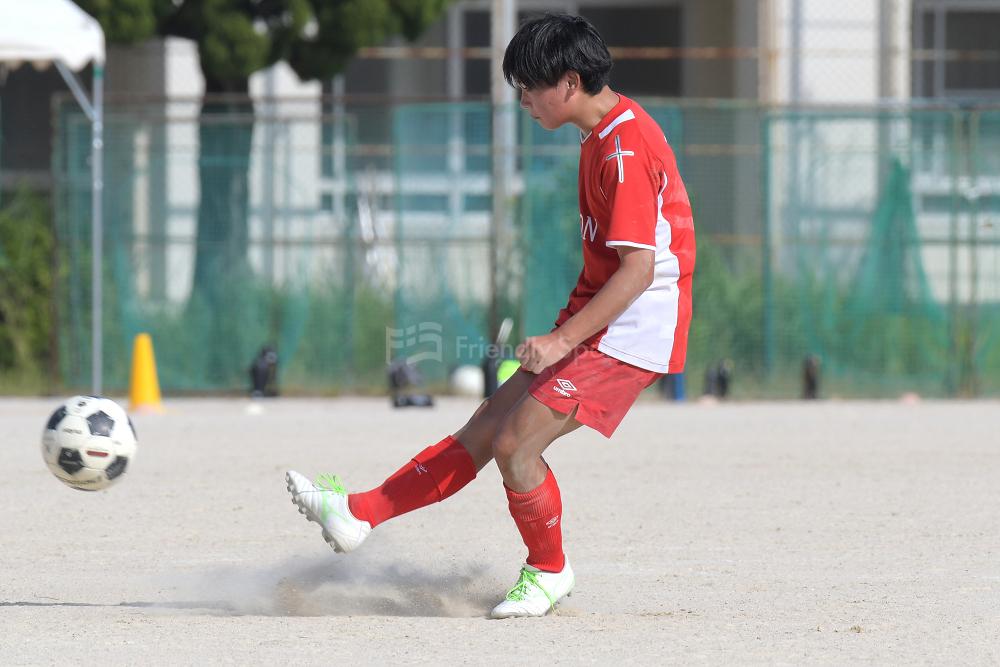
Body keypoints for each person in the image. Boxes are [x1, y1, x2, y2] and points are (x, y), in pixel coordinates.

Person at [285, 13, 696, 618]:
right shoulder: (601, 135)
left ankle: (549, 571)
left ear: (570, 82)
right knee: (485, 428)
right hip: (602, 321)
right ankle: (358, 514)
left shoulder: (624, 148)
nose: (523, 100)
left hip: (632, 332)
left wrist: (562, 339)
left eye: (529, 87)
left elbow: (638, 272)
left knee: (514, 444)